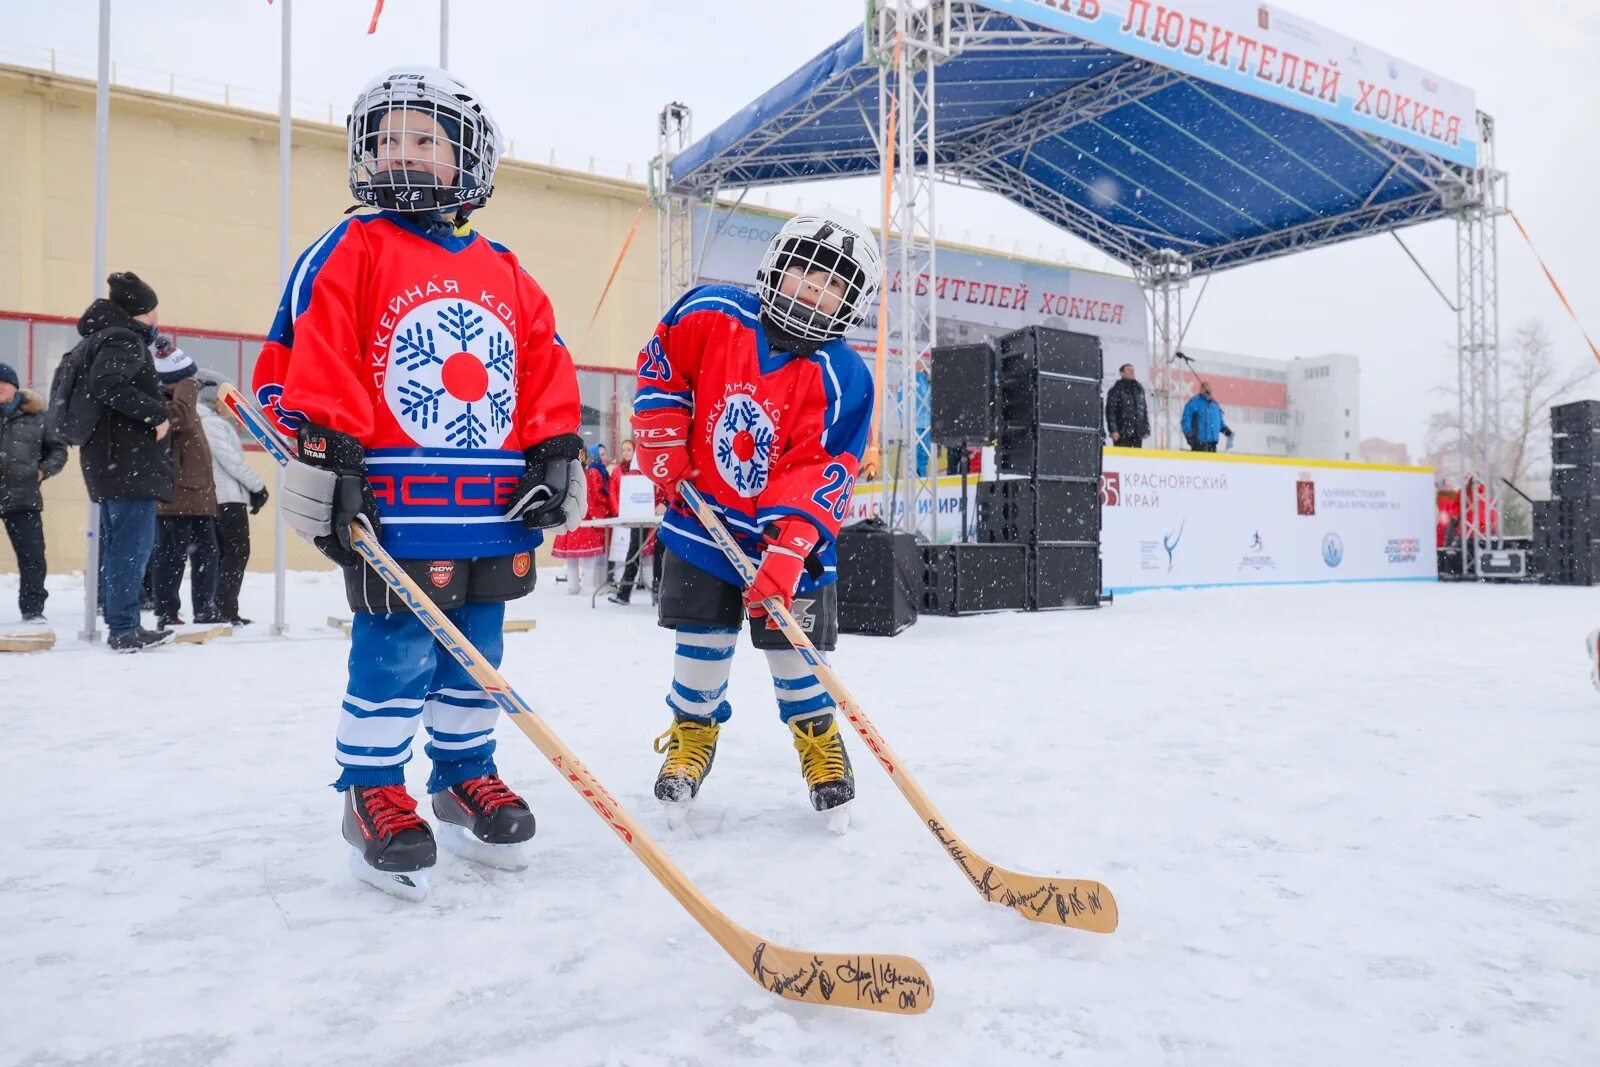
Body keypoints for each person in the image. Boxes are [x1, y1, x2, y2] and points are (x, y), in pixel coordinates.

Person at [252, 66, 584, 898]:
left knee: (477, 653)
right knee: (395, 652)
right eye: (387, 138)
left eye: (424, 139)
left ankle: (463, 774)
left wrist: (554, 450)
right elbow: (315, 350)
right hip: (395, 504)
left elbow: (542, 364)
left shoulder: (506, 269)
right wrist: (329, 453)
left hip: (491, 509)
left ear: (469, 157)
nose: (402, 153)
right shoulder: (353, 246)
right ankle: (373, 790)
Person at [632, 208, 879, 827]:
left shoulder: (844, 375)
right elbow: (664, 362)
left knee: (794, 655)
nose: (814, 291)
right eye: (805, 272)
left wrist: (790, 547)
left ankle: (819, 742)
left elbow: (823, 465)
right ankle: (692, 735)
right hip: (703, 522)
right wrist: (662, 431)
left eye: (833, 285)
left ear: (852, 303)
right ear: (776, 266)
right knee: (701, 647)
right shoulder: (712, 312)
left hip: (784, 547)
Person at [76, 272, 176, 652]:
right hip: (128, 461)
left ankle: (120, 619)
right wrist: (157, 413)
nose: (156, 318)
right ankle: (124, 628)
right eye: (152, 310)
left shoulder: (100, 337)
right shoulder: (123, 339)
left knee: (120, 545)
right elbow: (108, 385)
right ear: (141, 312)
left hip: (112, 459)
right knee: (131, 548)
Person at [150, 340, 220, 627]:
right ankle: (168, 612)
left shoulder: (179, 402)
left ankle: (204, 608)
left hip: (197, 492)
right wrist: (186, 386)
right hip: (176, 494)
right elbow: (182, 419)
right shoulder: (168, 404)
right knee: (171, 556)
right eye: (186, 379)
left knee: (206, 554)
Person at [197, 374, 268, 626]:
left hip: (221, 497)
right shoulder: (210, 423)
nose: (231, 407)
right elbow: (231, 462)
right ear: (214, 399)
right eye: (227, 400)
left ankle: (222, 607)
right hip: (225, 499)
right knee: (235, 553)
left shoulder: (208, 421)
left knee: (224, 554)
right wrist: (257, 486)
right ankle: (224, 608)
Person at [0, 361, 68, 622]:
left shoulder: (39, 418)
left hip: (23, 497)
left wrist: (41, 471)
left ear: (15, 388)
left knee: (32, 557)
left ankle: (32, 609)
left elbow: (59, 450)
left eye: (3, 384)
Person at [550, 442, 613, 595]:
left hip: (571, 517)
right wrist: (598, 513)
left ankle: (574, 586)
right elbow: (591, 498)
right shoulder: (591, 473)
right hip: (583, 519)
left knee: (575, 555)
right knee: (589, 555)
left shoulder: (567, 470)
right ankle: (586, 586)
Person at [1104, 363, 1150, 448]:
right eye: (1129, 370)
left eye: (1133, 370)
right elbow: (1110, 411)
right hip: (1122, 432)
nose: (1132, 372)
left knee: (1137, 458)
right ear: (1122, 373)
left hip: (1137, 433)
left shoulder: (1139, 389)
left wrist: (1146, 428)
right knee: (1121, 458)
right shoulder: (1116, 390)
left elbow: (1144, 410)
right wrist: (1113, 430)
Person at [1181, 381, 1233, 453]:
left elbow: (1219, 423)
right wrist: (1189, 436)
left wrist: (1226, 430)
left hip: (1212, 445)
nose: (1208, 390)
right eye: (1205, 388)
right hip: (1198, 444)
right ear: (1201, 389)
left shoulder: (1215, 405)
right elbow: (1186, 421)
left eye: (1209, 388)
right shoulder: (1194, 403)